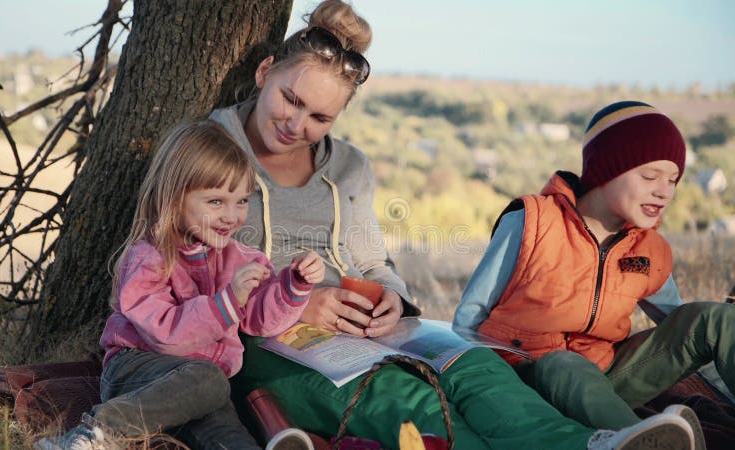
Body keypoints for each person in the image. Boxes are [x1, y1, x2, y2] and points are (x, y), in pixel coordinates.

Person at [210, 1, 701, 447]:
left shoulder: (348, 167)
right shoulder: (209, 152)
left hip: (364, 330)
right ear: (265, 72)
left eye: (320, 116)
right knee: (407, 396)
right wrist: (295, 302)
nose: (297, 125)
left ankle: (590, 444)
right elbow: (186, 265)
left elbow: (371, 259)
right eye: (291, 100)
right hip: (268, 338)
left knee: (476, 367)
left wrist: (391, 299)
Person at [454, 100, 735, 448]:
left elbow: (679, 325)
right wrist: (487, 394)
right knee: (563, 364)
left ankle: (643, 430)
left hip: (607, 378)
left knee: (715, 319)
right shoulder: (532, 222)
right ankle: (647, 441)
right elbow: (468, 321)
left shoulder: (648, 248)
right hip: (529, 382)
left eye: (673, 180)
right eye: (649, 176)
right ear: (606, 170)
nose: (664, 191)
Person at [35, 121, 324, 450]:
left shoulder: (239, 258)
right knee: (210, 380)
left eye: (242, 201)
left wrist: (293, 285)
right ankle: (94, 435)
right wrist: (227, 302)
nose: (232, 216)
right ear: (174, 199)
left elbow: (260, 319)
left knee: (229, 435)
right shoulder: (149, 258)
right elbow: (163, 334)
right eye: (216, 202)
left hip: (201, 389)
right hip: (138, 370)